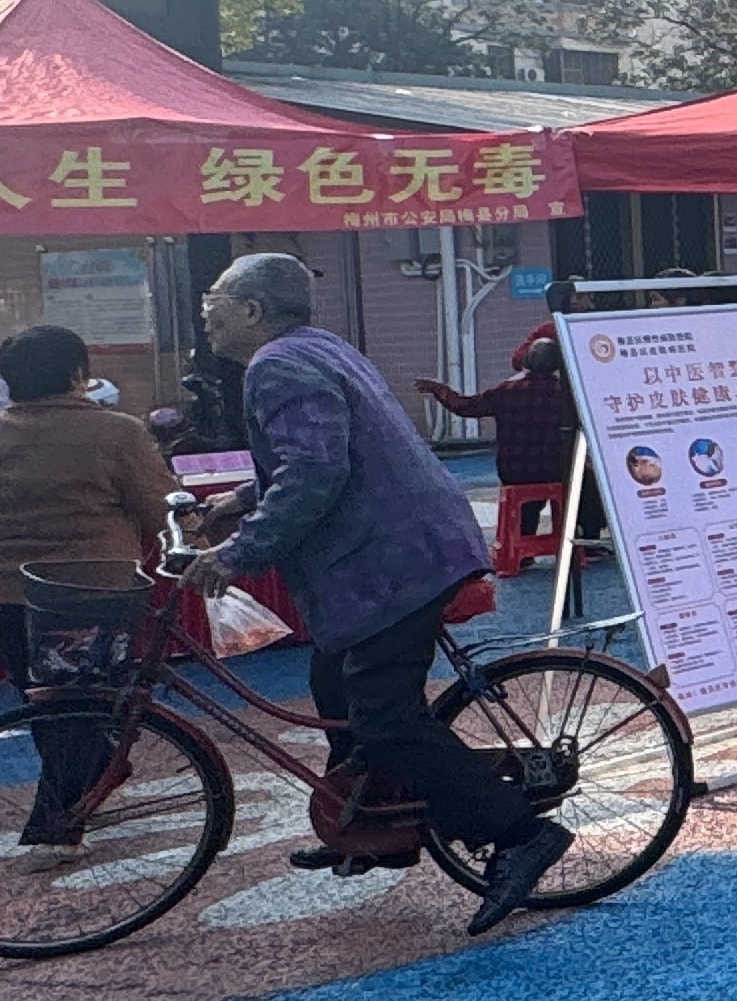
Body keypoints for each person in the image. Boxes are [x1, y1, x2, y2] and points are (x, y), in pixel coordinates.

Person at [180, 253, 569, 931]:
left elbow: (315, 470)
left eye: (214, 297)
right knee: (334, 683)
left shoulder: (277, 364)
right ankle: (370, 822)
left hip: (393, 561)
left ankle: (517, 834)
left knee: (385, 716)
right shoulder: (318, 346)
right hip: (405, 546)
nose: (205, 312)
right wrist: (240, 501)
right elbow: (319, 456)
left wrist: (238, 551)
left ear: (251, 309)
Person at [0, 325, 178, 835]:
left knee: (42, 703)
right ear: (78, 374)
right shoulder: (119, 432)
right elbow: (159, 509)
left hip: (6, 593)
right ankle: (60, 816)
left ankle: (78, 793)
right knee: (86, 704)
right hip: (96, 591)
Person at [417, 325, 579, 551]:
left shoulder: (506, 391)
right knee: (580, 482)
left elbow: (464, 406)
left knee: (525, 498)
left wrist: (439, 390)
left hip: (514, 472)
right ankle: (581, 542)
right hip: (557, 470)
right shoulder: (568, 394)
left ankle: (520, 548)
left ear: (527, 361)